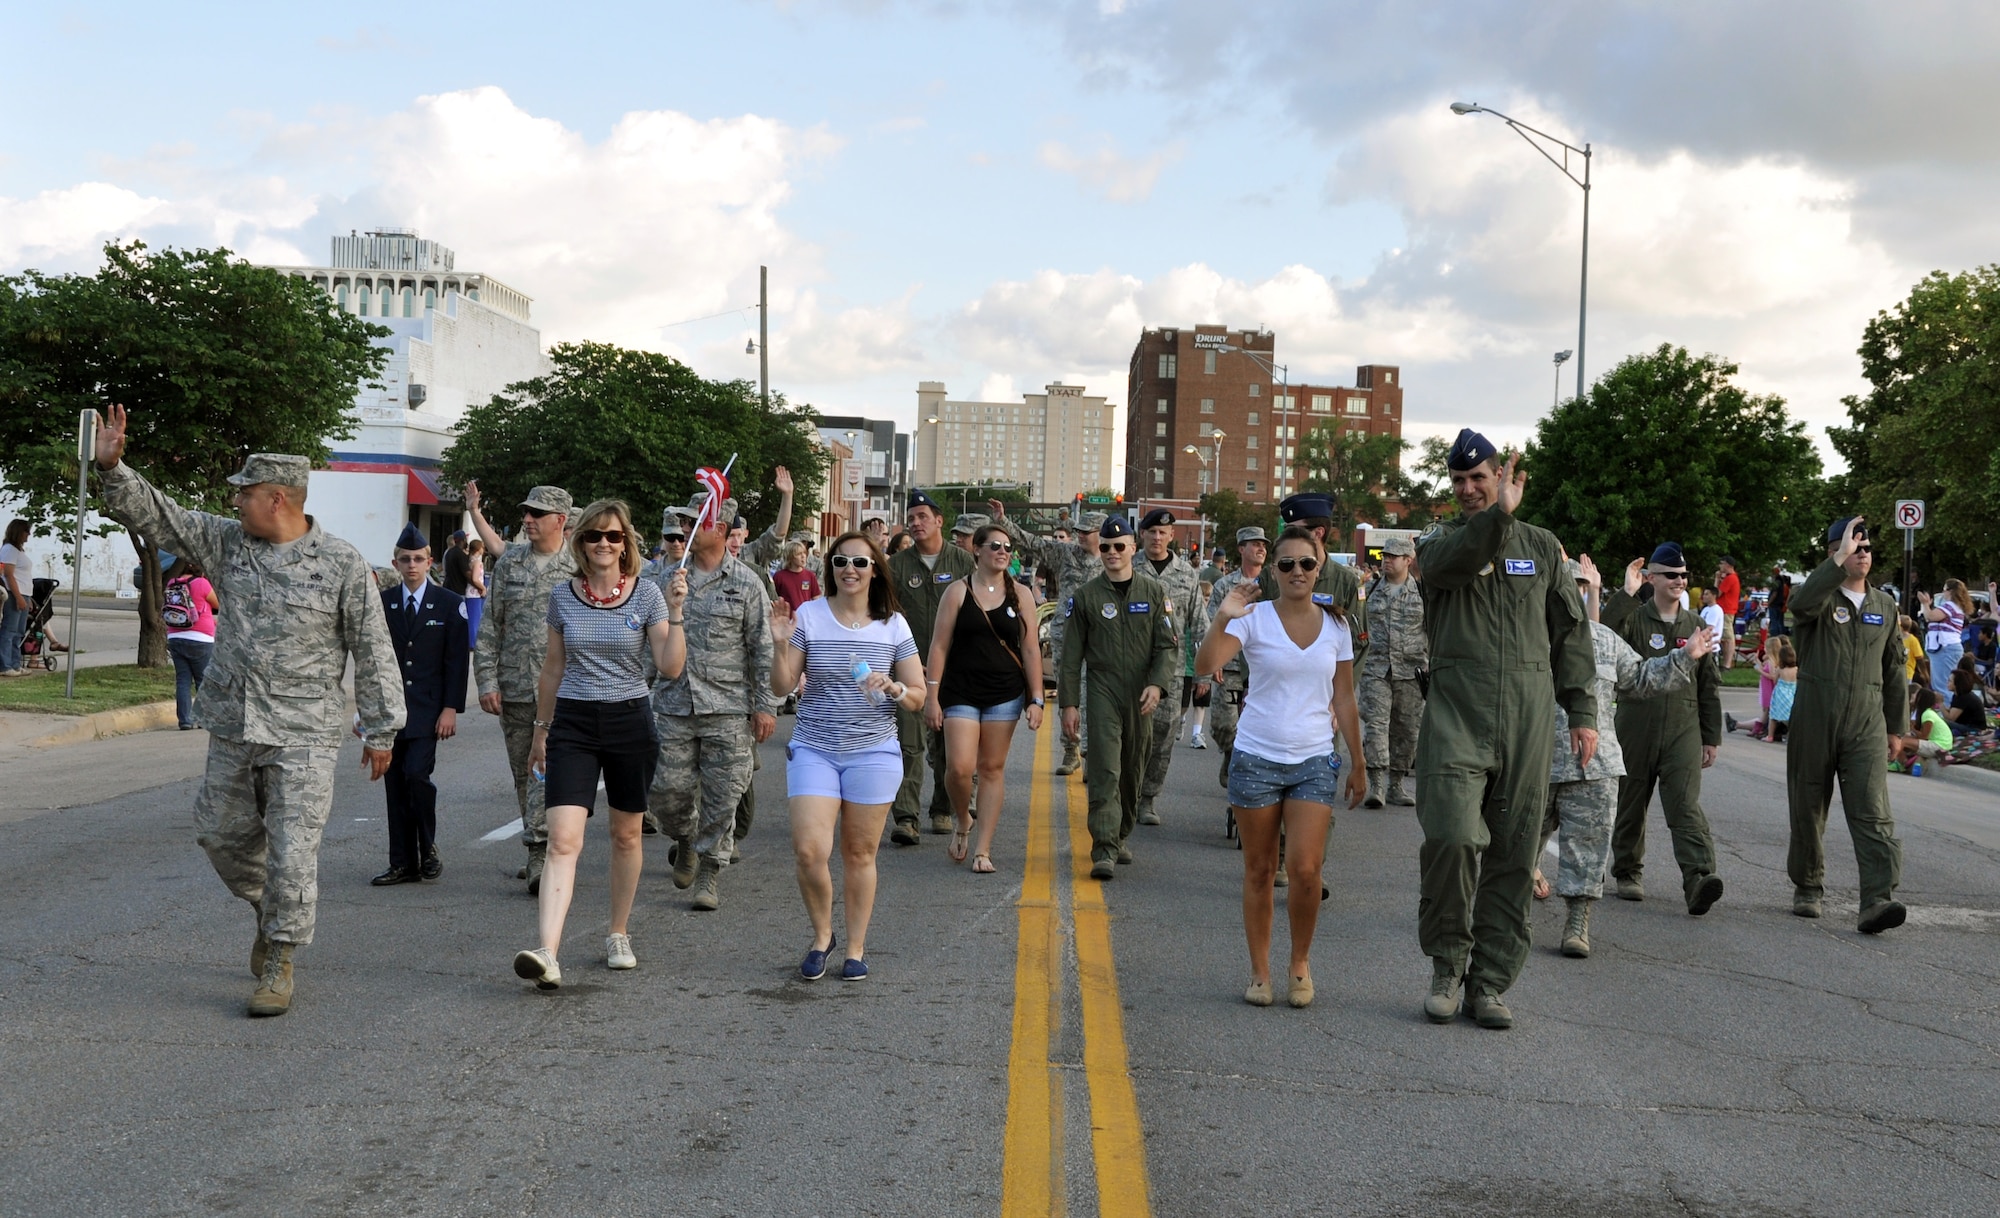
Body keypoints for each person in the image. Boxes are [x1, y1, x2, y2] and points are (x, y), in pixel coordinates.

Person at [92, 404, 404, 1017]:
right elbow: (162, 517)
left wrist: (382, 726)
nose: (235, 503)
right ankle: (272, 912)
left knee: (293, 851)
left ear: (278, 499)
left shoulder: (341, 564)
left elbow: (372, 648)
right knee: (218, 834)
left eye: (245, 494)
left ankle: (281, 958)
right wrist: (114, 467)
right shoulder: (227, 543)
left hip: (305, 735)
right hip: (234, 724)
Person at [1413, 431, 1596, 1030]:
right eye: (1459, 481)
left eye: (1480, 479)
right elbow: (1458, 562)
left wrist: (1584, 712)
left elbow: (1570, 634)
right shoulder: (1437, 543)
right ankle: (1447, 964)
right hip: (1455, 716)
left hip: (1527, 715)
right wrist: (1496, 520)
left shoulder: (1543, 549)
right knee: (1454, 837)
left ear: (1500, 476)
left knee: (1515, 855)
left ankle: (1489, 982)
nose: (1469, 489)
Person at [514, 502, 685, 987]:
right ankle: (547, 951)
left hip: (630, 720)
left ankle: (617, 932)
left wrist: (675, 614)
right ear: (581, 542)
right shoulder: (562, 598)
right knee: (563, 839)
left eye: (613, 536)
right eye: (594, 536)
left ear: (626, 542)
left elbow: (669, 668)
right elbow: (552, 667)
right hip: (573, 724)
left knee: (626, 836)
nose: (604, 544)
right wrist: (540, 731)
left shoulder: (648, 594)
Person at [1196, 525, 1366, 1008]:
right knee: (1260, 869)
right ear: (1274, 571)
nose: (1297, 572)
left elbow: (1345, 697)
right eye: (1287, 564)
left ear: (1319, 567)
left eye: (1306, 564)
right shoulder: (1252, 618)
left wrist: (1359, 762)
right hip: (1256, 758)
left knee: (1307, 870)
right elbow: (1206, 661)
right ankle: (1259, 971)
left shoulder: (1337, 625)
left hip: (1314, 759)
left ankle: (1299, 963)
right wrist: (1223, 618)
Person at [769, 532, 926, 981]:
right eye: (841, 561)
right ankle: (823, 936)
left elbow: (916, 694)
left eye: (860, 562)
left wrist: (895, 687)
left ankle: (855, 948)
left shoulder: (893, 624)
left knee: (860, 853)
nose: (850, 569)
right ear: (830, 568)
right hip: (816, 747)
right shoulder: (811, 616)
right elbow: (782, 687)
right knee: (809, 851)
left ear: (875, 568)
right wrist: (781, 642)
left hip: (873, 752)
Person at [1541, 557, 1704, 959]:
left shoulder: (1603, 639)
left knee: (1589, 848)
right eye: (1569, 586)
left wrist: (1687, 656)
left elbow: (1642, 678)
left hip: (1594, 765)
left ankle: (1577, 922)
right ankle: (1507, 917)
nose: (1575, 595)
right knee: (1514, 844)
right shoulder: (1529, 636)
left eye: (1582, 587)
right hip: (1537, 761)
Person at [644, 489, 776, 912]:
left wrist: (765, 705)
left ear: (719, 529)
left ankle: (709, 871)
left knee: (724, 797)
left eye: (693, 523)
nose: (685, 530)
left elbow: (762, 647)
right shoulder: (661, 582)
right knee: (666, 792)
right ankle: (684, 838)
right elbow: (643, 647)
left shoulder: (746, 583)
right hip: (673, 704)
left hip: (728, 707)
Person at [1786, 516, 1909, 932]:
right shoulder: (1817, 598)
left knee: (1873, 810)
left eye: (1867, 547)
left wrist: (1896, 727)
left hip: (1866, 720)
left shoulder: (1884, 606)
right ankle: (1807, 886)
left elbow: (1895, 668)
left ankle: (1877, 898)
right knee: (1808, 804)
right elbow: (1798, 607)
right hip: (1816, 713)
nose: (1862, 553)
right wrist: (1835, 565)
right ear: (1833, 553)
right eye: (1852, 546)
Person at [1601, 543, 1726, 915]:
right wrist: (1626, 592)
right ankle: (1627, 871)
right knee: (1631, 801)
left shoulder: (1696, 626)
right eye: (1671, 575)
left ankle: (1699, 877)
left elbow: (1709, 684)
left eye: (1684, 576)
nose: (1679, 581)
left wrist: (1711, 736)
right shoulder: (1635, 619)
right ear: (1651, 578)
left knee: (1684, 804)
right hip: (1637, 721)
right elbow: (1604, 633)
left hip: (1682, 727)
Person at [467, 478, 577, 893]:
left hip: (567, 692)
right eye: (526, 513)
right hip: (515, 689)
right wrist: (487, 681)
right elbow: (491, 627)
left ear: (560, 521)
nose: (527, 520)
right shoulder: (511, 564)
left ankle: (543, 852)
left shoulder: (579, 568)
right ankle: (542, 851)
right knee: (524, 774)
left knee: (552, 772)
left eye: (537, 514)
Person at [1060, 515, 1177, 880]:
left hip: (1140, 692)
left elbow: (1167, 646)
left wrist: (1157, 685)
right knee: (1106, 769)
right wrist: (1069, 705)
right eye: (1106, 547)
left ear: (1133, 549)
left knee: (1133, 766)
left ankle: (1122, 832)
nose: (1112, 552)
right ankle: (1104, 847)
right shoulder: (1086, 597)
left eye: (1119, 546)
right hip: (1102, 689)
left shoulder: (1154, 593)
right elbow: (1070, 656)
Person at [924, 523, 1044, 873]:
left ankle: (983, 850)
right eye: (995, 545)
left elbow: (1031, 649)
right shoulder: (957, 592)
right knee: (959, 768)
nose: (1003, 551)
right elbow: (939, 645)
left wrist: (1036, 698)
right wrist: (932, 696)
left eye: (1008, 547)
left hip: (1004, 692)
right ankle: (963, 817)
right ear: (976, 550)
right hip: (960, 690)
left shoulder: (1020, 594)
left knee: (991, 768)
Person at [369, 524, 471, 885]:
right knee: (394, 784)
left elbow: (457, 662)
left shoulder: (450, 604)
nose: (412, 565)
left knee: (416, 776)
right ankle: (402, 862)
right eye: (405, 559)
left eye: (418, 559)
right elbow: (374, 661)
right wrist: (366, 711)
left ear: (431, 562)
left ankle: (426, 847)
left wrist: (450, 708)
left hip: (428, 711)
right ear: (395, 564)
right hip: (392, 711)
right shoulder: (384, 604)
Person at [887, 490, 978, 843]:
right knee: (909, 744)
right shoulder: (897, 566)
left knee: (949, 745)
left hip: (955, 670)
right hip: (910, 670)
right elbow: (885, 615)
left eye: (923, 516)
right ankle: (906, 818)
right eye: (911, 517)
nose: (915, 522)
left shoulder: (963, 562)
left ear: (940, 521)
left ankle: (943, 810)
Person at [990, 499, 1102, 776]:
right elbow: (1031, 542)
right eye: (1080, 530)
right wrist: (1003, 521)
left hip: (1101, 637)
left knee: (1096, 695)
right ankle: (1070, 751)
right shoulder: (1065, 554)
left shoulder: (1115, 560)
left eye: (1088, 531)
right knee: (1068, 692)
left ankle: (1092, 756)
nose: (1081, 535)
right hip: (1068, 634)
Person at [1133, 508, 1209, 827]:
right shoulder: (1129, 566)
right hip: (1131, 667)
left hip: (1171, 671)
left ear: (1171, 536)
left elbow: (1199, 624)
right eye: (1152, 532)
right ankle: (1127, 793)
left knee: (1163, 736)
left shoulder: (1185, 574)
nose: (1157, 537)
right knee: (1130, 734)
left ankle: (1148, 798)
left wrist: (1204, 671)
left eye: (1163, 533)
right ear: (1143, 535)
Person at [1358, 534, 1426, 808]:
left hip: (1410, 672)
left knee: (1407, 730)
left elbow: (1433, 632)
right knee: (1376, 726)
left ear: (1408, 560)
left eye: (1392, 557)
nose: (1386, 560)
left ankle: (1396, 784)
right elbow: (1356, 623)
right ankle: (1376, 784)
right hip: (1376, 669)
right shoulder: (1369, 590)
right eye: (1384, 556)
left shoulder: (1423, 593)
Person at [1204, 526, 1267, 791]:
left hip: (1262, 667)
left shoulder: (1273, 583)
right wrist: (1215, 660)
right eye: (1254, 544)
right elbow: (1210, 623)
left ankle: (1252, 775)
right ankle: (1231, 754)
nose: (1261, 548)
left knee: (1260, 728)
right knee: (1224, 725)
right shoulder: (1224, 585)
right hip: (1229, 665)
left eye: (1263, 544)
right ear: (1241, 549)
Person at [162, 559, 220, 729]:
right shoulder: (202, 584)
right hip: (201, 638)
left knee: (183, 680)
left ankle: (185, 720)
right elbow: (217, 604)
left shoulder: (172, 583)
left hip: (175, 636)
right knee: (202, 680)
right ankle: (202, 719)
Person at [1918, 580, 1972, 701]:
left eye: (1945, 589)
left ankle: (1947, 715)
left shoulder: (1950, 606)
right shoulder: (1955, 607)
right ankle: (1949, 712)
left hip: (1945, 649)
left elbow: (1930, 616)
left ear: (1951, 591)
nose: (1943, 592)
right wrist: (1926, 606)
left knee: (1942, 686)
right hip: (1947, 648)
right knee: (1945, 684)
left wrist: (1925, 603)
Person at [0, 519, 34, 677]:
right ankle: (5, 665)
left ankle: (15, 663)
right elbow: (8, 575)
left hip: (25, 593)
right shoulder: (9, 550)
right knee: (9, 630)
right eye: (26, 531)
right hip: (15, 594)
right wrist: (19, 597)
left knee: (19, 631)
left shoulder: (19, 551)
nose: (28, 535)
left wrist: (28, 598)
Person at [773, 540, 821, 612]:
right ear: (790, 557)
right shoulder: (779, 576)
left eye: (804, 553)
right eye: (799, 554)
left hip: (805, 619)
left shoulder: (810, 576)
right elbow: (773, 599)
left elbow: (816, 599)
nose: (803, 556)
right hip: (786, 619)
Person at [1944, 666, 1988, 736]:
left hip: (1975, 728)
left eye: (1950, 681)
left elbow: (1950, 718)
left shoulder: (1964, 697)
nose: (1947, 683)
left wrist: (1940, 703)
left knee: (1943, 722)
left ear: (1957, 684)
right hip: (1965, 724)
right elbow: (1952, 710)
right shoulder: (1958, 694)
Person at [1714, 556, 1741, 668]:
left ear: (1728, 565)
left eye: (1722, 563)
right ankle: (1726, 663)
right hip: (1725, 610)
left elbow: (1716, 593)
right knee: (1725, 638)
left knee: (1728, 638)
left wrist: (1716, 579)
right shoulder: (1730, 578)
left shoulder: (1730, 578)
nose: (1720, 566)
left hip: (1726, 610)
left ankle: (1727, 664)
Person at [463, 538, 487, 646]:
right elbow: (475, 578)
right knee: (474, 619)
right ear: (478, 548)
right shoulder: (477, 562)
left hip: (470, 593)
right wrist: (483, 588)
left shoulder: (470, 560)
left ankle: (470, 641)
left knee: (471, 618)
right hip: (475, 594)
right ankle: (472, 642)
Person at [442, 530, 471, 596]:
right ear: (463, 540)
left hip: (447, 588)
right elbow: (467, 574)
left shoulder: (449, 552)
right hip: (458, 590)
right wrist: (479, 586)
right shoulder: (460, 554)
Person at [1768, 565, 1791, 636]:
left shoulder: (1777, 583)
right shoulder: (1782, 583)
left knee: (1775, 621)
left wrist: (1769, 603)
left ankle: (1775, 635)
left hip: (1775, 604)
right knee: (1780, 622)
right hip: (1781, 605)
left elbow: (1774, 593)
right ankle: (1781, 635)